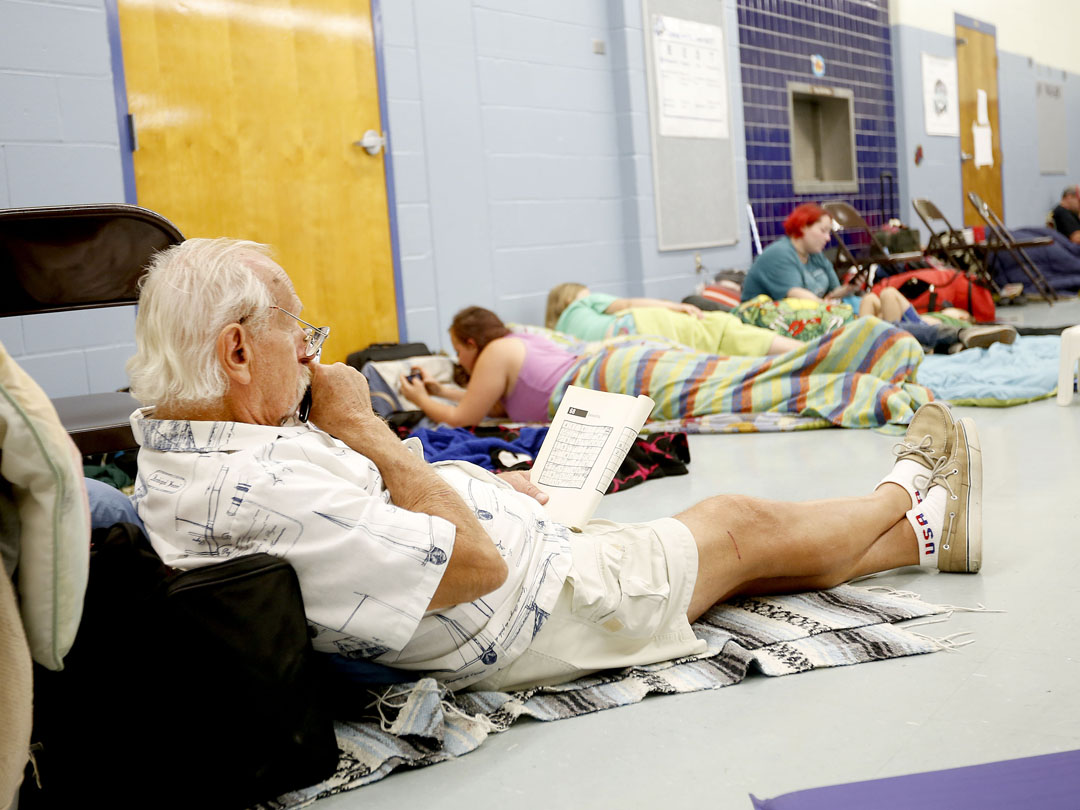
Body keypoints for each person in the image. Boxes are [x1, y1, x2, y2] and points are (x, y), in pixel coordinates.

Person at [127, 237, 982, 694]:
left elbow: (375, 525)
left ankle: (927, 534)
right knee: (739, 528)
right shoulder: (265, 480)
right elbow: (476, 568)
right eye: (302, 337)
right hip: (527, 607)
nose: (316, 359)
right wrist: (369, 431)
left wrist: (474, 485)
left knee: (735, 568)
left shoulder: (180, 452)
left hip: (511, 559)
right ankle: (906, 487)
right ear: (238, 350)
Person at [401, 305, 932, 428]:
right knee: (738, 373)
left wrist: (421, 397)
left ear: (470, 341)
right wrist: (444, 387)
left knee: (739, 389)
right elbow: (480, 401)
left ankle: (864, 385)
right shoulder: (520, 339)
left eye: (459, 350)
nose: (462, 361)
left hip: (605, 379)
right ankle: (863, 358)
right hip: (626, 361)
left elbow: (467, 417)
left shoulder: (494, 352)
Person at [742, 204, 1016, 353]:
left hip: (819, 308)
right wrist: (838, 302)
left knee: (879, 296)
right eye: (823, 232)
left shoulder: (814, 255)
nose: (828, 239)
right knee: (877, 313)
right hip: (787, 315)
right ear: (802, 228)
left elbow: (833, 291)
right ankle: (947, 335)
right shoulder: (780, 255)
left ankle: (932, 338)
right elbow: (800, 297)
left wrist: (849, 289)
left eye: (829, 232)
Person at [545, 282, 802, 356]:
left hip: (634, 345)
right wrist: (673, 306)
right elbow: (626, 304)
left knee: (713, 345)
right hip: (645, 325)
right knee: (720, 329)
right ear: (568, 299)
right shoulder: (581, 303)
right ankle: (806, 350)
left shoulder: (560, 336)